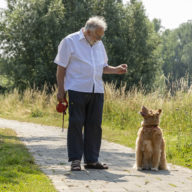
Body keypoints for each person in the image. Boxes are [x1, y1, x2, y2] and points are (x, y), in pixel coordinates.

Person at [54, 16, 127, 171]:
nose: (100, 39)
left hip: (97, 90)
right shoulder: (69, 41)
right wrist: (61, 90)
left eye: (101, 36)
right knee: (76, 124)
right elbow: (61, 68)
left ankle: (92, 160)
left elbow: (103, 67)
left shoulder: (99, 44)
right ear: (87, 32)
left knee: (94, 126)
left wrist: (116, 70)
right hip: (77, 89)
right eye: (97, 36)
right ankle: (75, 160)